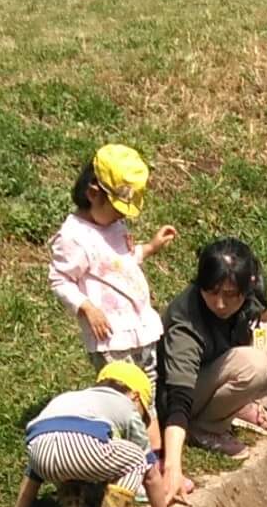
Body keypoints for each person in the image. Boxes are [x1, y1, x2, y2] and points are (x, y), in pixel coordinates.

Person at [158, 238, 267, 469]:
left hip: (230, 359)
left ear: (248, 286)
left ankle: (242, 405)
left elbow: (259, 314)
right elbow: (177, 400)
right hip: (187, 392)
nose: (220, 303)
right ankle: (206, 426)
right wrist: (172, 468)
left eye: (229, 294)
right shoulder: (185, 323)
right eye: (212, 291)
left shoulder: (252, 291)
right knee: (253, 364)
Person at [0, 364, 183, 507]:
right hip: (83, 443)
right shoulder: (128, 406)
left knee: (69, 463)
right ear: (135, 396)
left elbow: (33, 475)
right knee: (137, 459)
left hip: (39, 450)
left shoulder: (70, 398)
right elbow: (150, 475)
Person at [49, 143, 177, 382]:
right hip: (111, 336)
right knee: (124, 396)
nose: (123, 217)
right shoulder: (74, 237)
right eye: (118, 210)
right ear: (93, 193)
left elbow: (118, 264)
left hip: (141, 329)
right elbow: (60, 279)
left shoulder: (113, 225)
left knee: (148, 395)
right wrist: (87, 308)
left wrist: (149, 248)